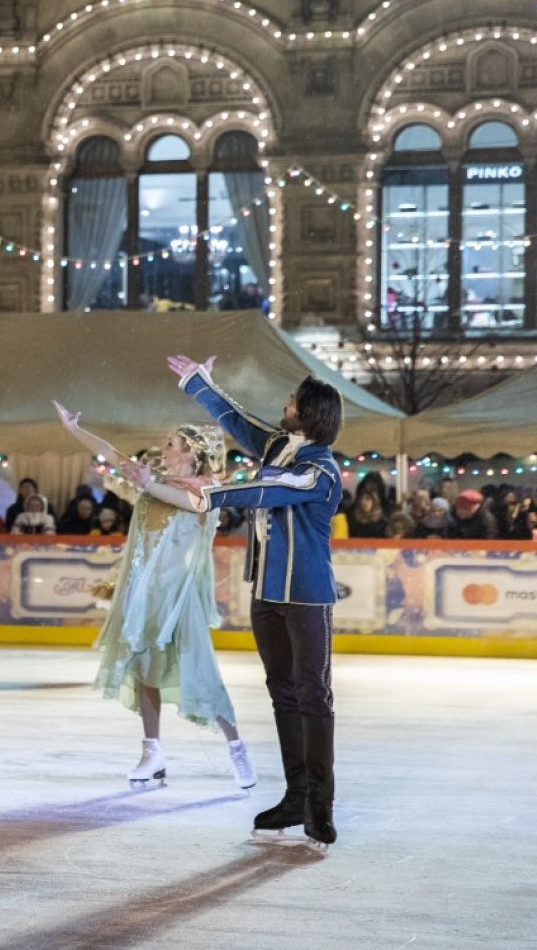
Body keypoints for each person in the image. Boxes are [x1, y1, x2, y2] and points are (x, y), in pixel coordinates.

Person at [164, 355, 345, 850]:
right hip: (266, 594)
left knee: (313, 697)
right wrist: (197, 383)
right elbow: (236, 421)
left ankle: (319, 807)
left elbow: (271, 490)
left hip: (307, 598)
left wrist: (213, 493)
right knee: (283, 693)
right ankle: (294, 796)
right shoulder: (279, 449)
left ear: (308, 413)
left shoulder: (320, 470)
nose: (284, 404)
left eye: (291, 400)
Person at [55, 403, 256, 791]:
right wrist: (75, 430)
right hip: (146, 596)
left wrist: (148, 483)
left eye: (170, 444)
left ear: (191, 453)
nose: (163, 449)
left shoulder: (206, 490)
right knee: (144, 670)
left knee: (200, 672)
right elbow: (112, 455)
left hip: (180, 600)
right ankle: (152, 750)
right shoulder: (154, 482)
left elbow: (191, 503)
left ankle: (236, 746)